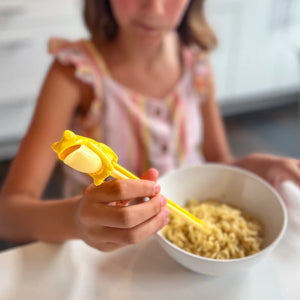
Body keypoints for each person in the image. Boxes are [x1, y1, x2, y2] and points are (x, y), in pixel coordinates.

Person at [0, 0, 299, 252]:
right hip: (107, 258)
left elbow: (219, 162)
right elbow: (9, 216)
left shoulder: (196, 63)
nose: (154, 9)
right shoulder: (74, 73)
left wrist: (249, 165)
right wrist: (77, 220)